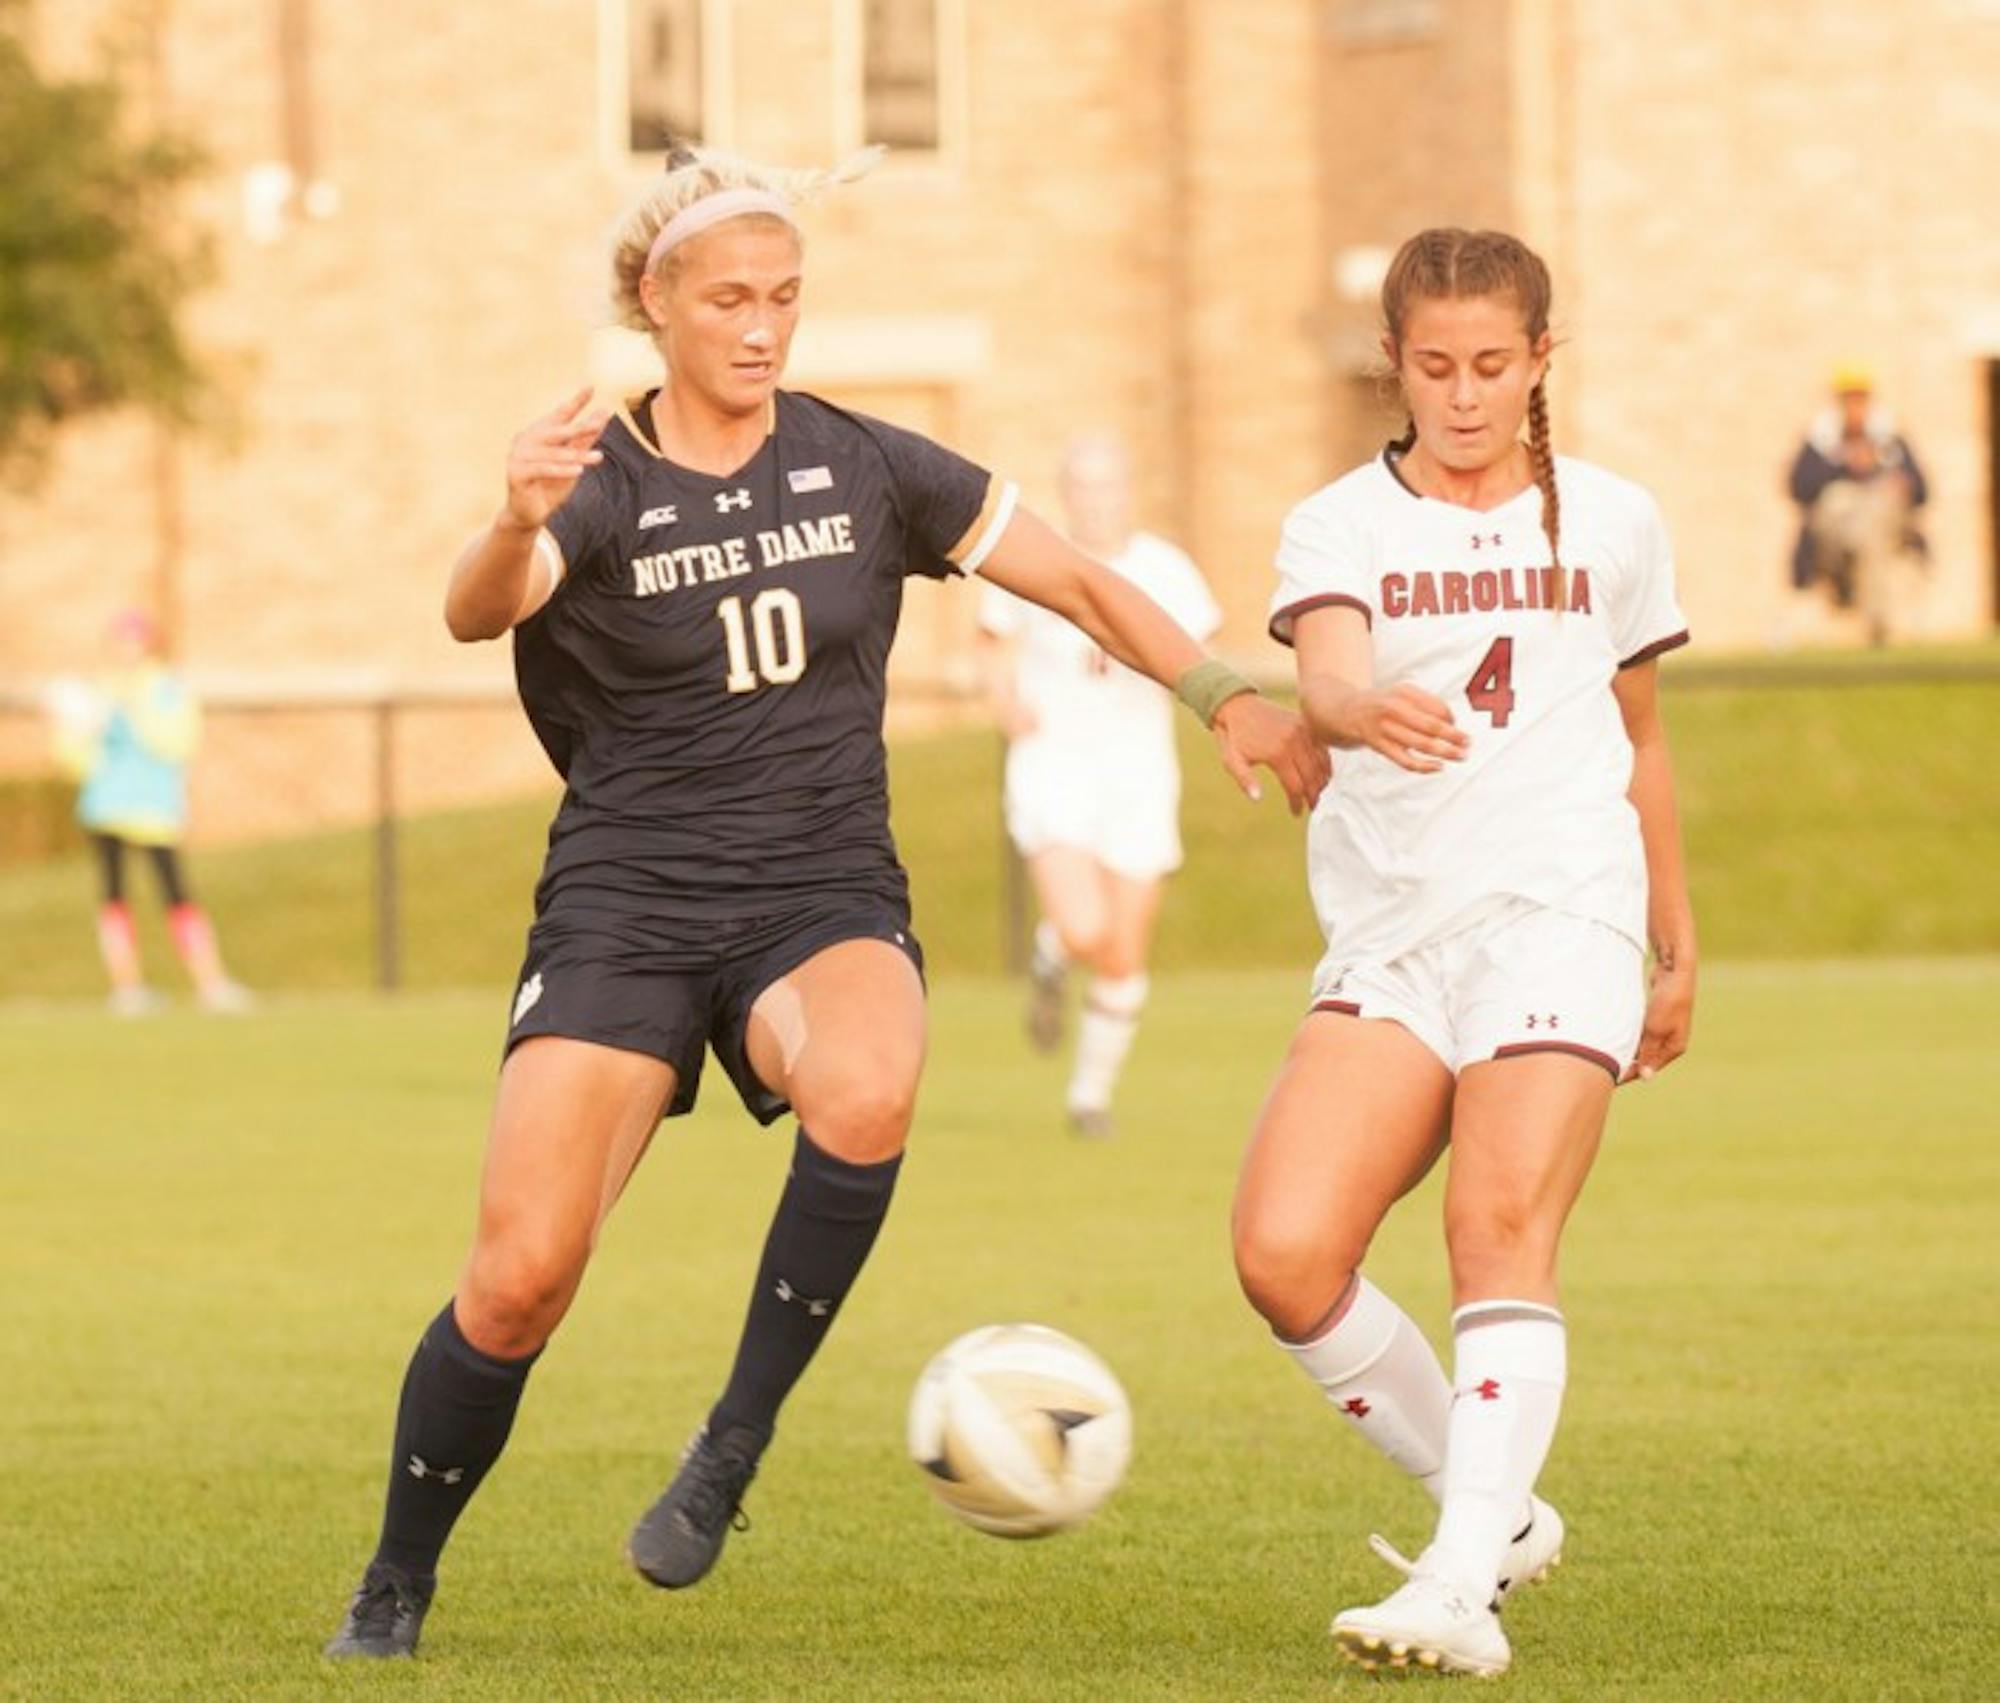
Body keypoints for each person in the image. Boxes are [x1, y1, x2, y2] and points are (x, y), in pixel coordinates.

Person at [323, 143, 1327, 1661]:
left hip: (818, 888)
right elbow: (479, 607)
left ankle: (729, 1445)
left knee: (870, 1080)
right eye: (729, 298)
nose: (762, 326)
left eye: (785, 297)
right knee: (520, 1276)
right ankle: (396, 1578)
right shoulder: (598, 481)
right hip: (627, 905)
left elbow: (1080, 580)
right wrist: (517, 516)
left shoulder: (868, 462)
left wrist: (1218, 689)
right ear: (654, 305)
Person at [1230, 228, 1696, 1679]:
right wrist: (1356, 713)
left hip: (1563, 912)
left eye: (1494, 364)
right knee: (1286, 1253)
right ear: (1397, 364)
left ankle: (1454, 1589)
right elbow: (1327, 668)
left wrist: (1677, 938)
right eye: (1436, 366)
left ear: (1541, 359)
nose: (1466, 393)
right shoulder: (1337, 523)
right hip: (1395, 931)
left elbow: (1640, 736)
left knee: (1497, 1229)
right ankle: (1487, 1512)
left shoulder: (1613, 521)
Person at [976, 433, 1222, 1137]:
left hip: (1139, 774)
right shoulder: (1040, 558)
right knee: (1085, 924)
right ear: (1066, 493)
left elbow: (1198, 653)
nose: (1094, 499)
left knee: (1120, 950)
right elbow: (991, 639)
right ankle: (1056, 946)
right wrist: (1004, 698)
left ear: (1127, 489)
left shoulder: (1165, 569)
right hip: (1055, 765)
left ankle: (1088, 1097)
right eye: (1080, 485)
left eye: (1105, 484)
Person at [47, 609, 251, 1015]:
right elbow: (76, 759)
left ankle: (210, 982)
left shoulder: (166, 688)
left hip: (155, 811)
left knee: (178, 896)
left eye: (133, 641)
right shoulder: (98, 690)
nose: (126, 651)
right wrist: (77, 728)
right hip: (107, 808)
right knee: (114, 897)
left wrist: (134, 708)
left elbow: (177, 744)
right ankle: (127, 986)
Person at [1784, 362, 1929, 647]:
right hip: (1834, 530)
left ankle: (1873, 616)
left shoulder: (1891, 440)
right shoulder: (1821, 441)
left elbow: (1921, 490)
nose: (1855, 407)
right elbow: (1799, 487)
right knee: (1838, 501)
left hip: (1881, 525)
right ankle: (1844, 579)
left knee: (1872, 521)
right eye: (1848, 400)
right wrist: (1843, 466)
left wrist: (1895, 480)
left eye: (1860, 399)